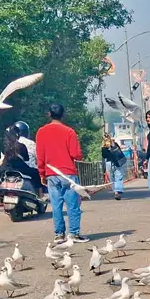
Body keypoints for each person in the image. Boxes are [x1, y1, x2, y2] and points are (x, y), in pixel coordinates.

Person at [35, 103, 87, 242]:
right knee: (73, 205)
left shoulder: (41, 132)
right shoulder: (69, 131)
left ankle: (59, 234)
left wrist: (42, 173)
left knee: (56, 205)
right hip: (68, 174)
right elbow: (76, 154)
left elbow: (40, 155)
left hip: (51, 174)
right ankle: (74, 234)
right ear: (63, 115)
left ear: (49, 114)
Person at [101, 135, 126, 200]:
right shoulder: (115, 145)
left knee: (112, 178)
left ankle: (115, 192)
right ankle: (117, 190)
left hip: (109, 163)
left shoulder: (103, 147)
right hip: (117, 163)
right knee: (118, 177)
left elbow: (104, 156)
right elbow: (120, 152)